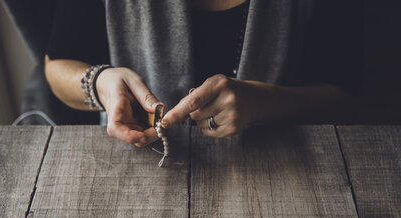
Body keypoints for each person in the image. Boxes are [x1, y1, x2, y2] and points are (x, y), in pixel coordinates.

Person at [45, 0, 363, 147]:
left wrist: (264, 102)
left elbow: (344, 101)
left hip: (277, 162)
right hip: (132, 161)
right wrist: (102, 83)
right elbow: (57, 67)